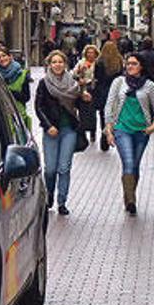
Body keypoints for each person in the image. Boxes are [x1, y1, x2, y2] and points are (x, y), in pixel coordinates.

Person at [104, 52, 154, 216]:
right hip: (122, 129)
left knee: (135, 165)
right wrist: (109, 130)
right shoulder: (118, 82)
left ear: (141, 66)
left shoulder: (149, 86)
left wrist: (152, 127)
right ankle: (131, 201)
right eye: (128, 63)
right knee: (128, 162)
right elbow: (109, 107)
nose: (130, 66)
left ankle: (129, 195)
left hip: (142, 132)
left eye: (134, 64)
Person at [35, 50, 91, 216]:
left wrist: (84, 97)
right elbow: (39, 107)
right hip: (51, 129)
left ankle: (62, 202)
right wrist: (47, 125)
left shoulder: (73, 83)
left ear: (65, 64)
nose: (57, 65)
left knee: (64, 168)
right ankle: (50, 193)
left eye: (60, 62)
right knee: (50, 169)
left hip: (69, 129)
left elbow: (80, 104)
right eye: (54, 62)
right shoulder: (44, 84)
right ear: (49, 65)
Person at [94, 41, 123, 151]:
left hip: (103, 91)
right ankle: (111, 133)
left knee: (103, 115)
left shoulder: (99, 62)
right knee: (114, 114)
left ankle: (104, 136)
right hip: (116, 91)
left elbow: (96, 78)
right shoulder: (119, 61)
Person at [0, 48, 32, 128]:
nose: (2, 59)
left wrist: (10, 93)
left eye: (4, 56)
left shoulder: (22, 74)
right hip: (2, 120)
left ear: (10, 56)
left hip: (19, 118)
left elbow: (26, 97)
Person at [73, 44, 100, 144]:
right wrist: (79, 76)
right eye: (88, 52)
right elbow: (74, 74)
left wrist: (91, 81)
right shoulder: (81, 62)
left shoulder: (98, 63)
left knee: (92, 113)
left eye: (92, 52)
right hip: (82, 90)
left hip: (93, 90)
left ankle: (93, 132)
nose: (90, 54)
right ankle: (83, 132)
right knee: (82, 112)